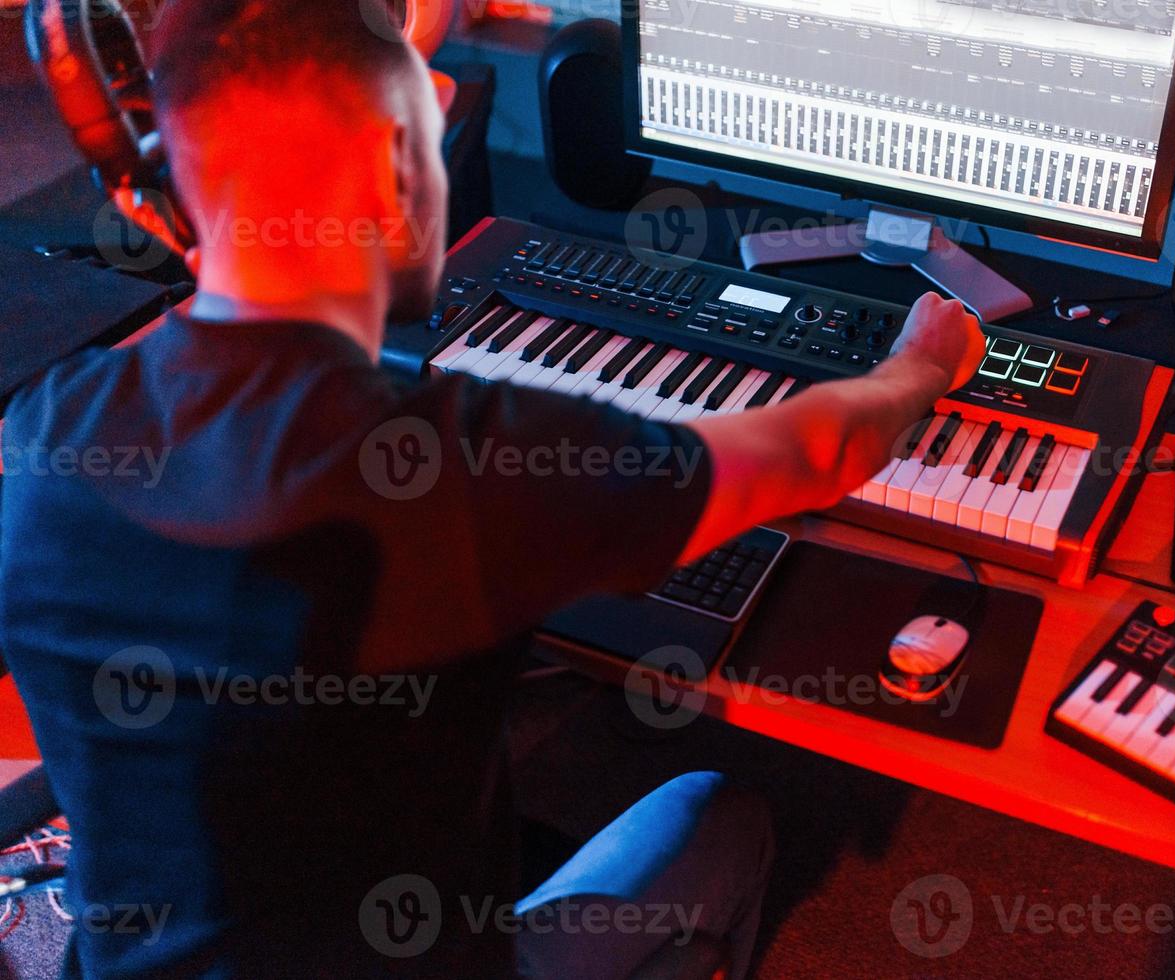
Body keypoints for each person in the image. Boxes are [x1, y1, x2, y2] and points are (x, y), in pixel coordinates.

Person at [0, 1, 986, 977]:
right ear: (396, 170)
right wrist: (920, 364)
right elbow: (815, 451)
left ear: (162, 200)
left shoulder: (43, 434)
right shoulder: (473, 469)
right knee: (719, 814)